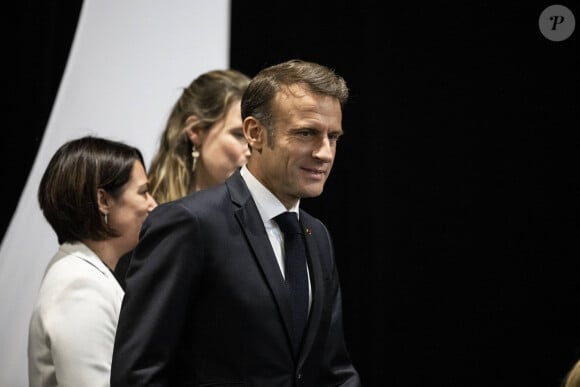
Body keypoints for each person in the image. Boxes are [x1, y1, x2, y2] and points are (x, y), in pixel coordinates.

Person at [111, 59, 361, 386]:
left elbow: (334, 371)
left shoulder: (318, 236)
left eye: (333, 137)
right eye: (306, 133)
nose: (324, 152)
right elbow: (139, 374)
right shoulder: (190, 224)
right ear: (255, 134)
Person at [28, 135, 157, 387]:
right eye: (143, 192)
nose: (153, 203)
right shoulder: (80, 287)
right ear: (103, 201)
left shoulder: (81, 273)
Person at [113, 69, 251, 288]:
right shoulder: (148, 215)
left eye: (255, 135)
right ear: (195, 130)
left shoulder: (256, 218)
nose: (251, 149)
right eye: (238, 135)